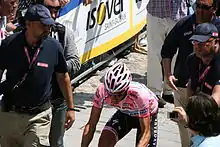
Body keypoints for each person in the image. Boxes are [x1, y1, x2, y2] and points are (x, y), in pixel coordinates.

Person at [0, 4, 75, 147]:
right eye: (43, 25)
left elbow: (63, 77)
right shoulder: (9, 44)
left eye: (49, 25)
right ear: (28, 24)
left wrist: (71, 108)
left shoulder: (54, 46)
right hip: (10, 114)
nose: (48, 28)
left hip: (39, 116)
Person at [161, 0, 219, 146]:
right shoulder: (192, 58)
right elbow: (167, 49)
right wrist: (168, 75)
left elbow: (216, 98)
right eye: (197, 6)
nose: (197, 47)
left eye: (204, 7)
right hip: (190, 94)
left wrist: (193, 116)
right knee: (187, 137)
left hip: (210, 105)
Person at [81, 63, 159, 147]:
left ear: (126, 89)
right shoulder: (102, 91)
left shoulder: (139, 95)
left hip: (148, 114)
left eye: (118, 95)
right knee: (104, 142)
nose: (114, 99)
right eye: (110, 94)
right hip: (125, 112)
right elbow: (91, 124)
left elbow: (146, 133)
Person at [36, 0, 80, 146]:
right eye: (50, 10)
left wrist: (55, 66)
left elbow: (75, 62)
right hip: (32, 103)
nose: (53, 15)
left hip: (57, 100)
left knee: (56, 142)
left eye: (57, 10)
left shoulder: (63, 33)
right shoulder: (26, 33)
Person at [146, 0, 195, 107]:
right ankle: (154, 92)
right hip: (156, 12)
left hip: (178, 14)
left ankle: (169, 90)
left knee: (175, 54)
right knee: (154, 55)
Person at [187, 23, 220, 106]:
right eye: (195, 42)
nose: (197, 46)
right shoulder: (192, 59)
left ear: (216, 42)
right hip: (202, 105)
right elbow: (191, 86)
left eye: (202, 42)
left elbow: (216, 100)